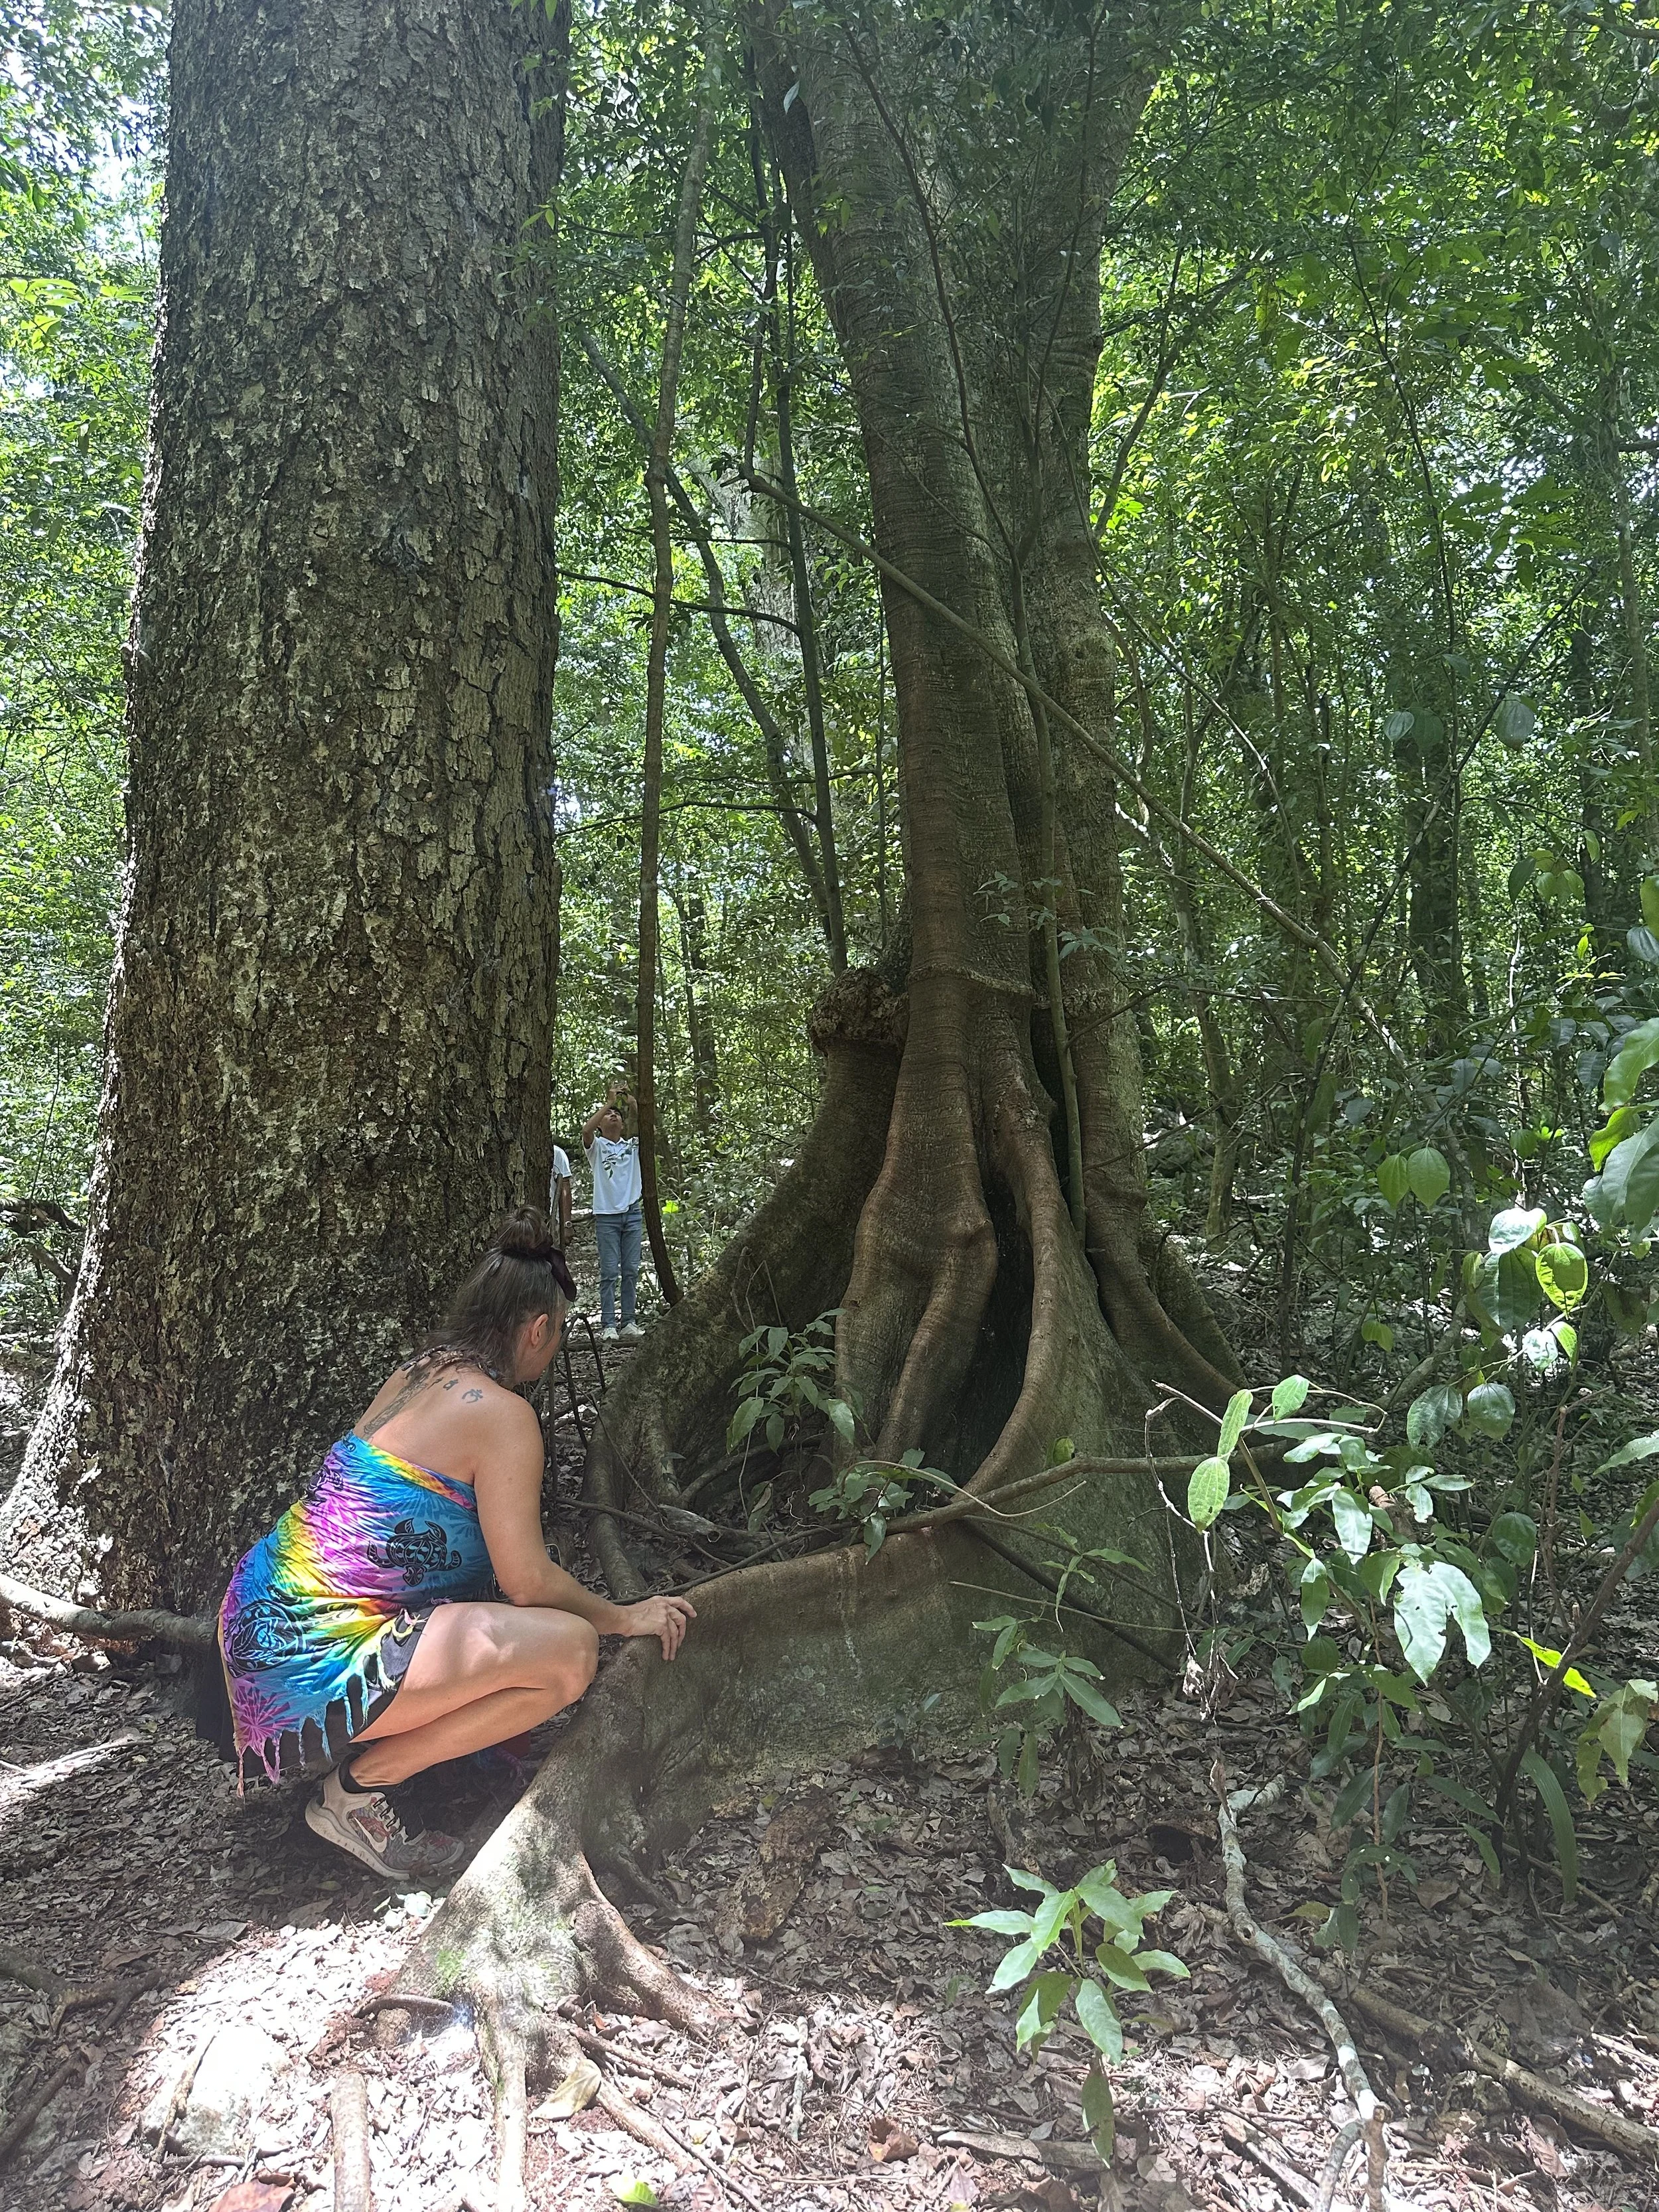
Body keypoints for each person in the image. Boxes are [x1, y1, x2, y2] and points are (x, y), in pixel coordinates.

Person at [217, 1209, 693, 1878]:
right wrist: (621, 1617)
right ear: (536, 1330)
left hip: (255, 1619)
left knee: (531, 1634)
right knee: (570, 1654)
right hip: (309, 1656)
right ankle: (357, 1791)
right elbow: (526, 1580)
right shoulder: (503, 1415)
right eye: (554, 1337)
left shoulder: (418, 1374)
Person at [583, 1083, 644, 1345]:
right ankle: (609, 1323)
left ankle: (628, 1321)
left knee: (630, 1269)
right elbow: (586, 1130)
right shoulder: (596, 1147)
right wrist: (608, 1102)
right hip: (607, 1215)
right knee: (609, 1271)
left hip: (632, 1213)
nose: (614, 1115)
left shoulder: (632, 1146)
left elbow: (648, 1126)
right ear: (601, 1124)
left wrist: (631, 1102)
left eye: (617, 1114)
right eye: (610, 1114)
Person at [549, 1141, 573, 1248]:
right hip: (524, 1221)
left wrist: (566, 1224)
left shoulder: (556, 1153)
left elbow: (565, 1187)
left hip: (552, 1221)